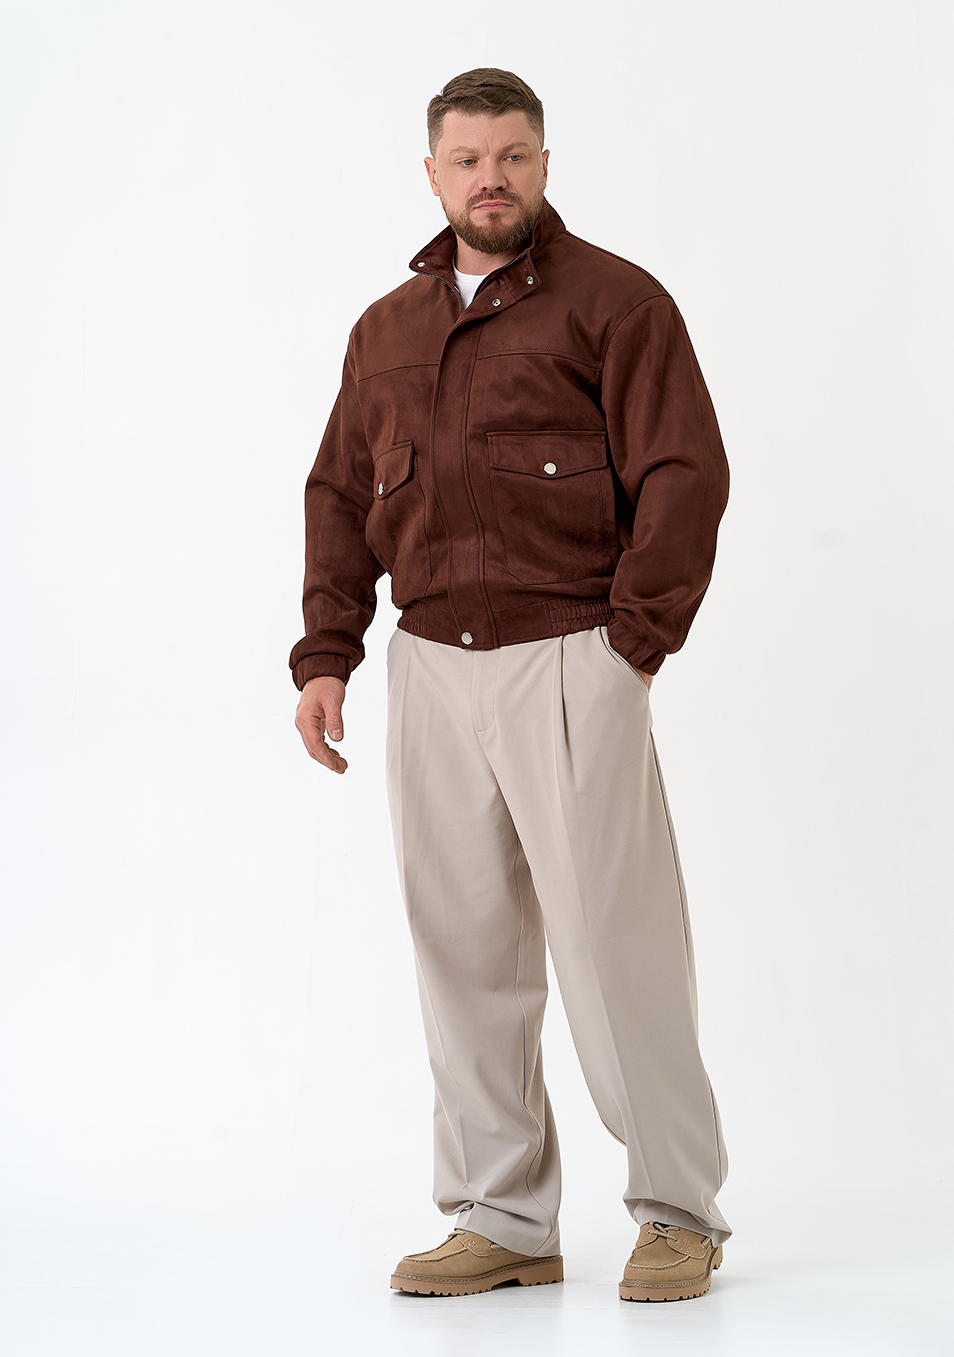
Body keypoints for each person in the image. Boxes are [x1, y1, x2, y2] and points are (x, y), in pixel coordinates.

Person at [290, 67, 732, 1303]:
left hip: (571, 654)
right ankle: (500, 1214)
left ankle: (678, 1211)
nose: (491, 179)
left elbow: (683, 473)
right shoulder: (384, 329)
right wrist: (326, 654)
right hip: (429, 666)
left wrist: (629, 645)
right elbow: (337, 495)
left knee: (614, 947)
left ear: (543, 164)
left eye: (513, 156)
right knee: (464, 951)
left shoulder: (615, 302)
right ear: (432, 173)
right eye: (468, 159)